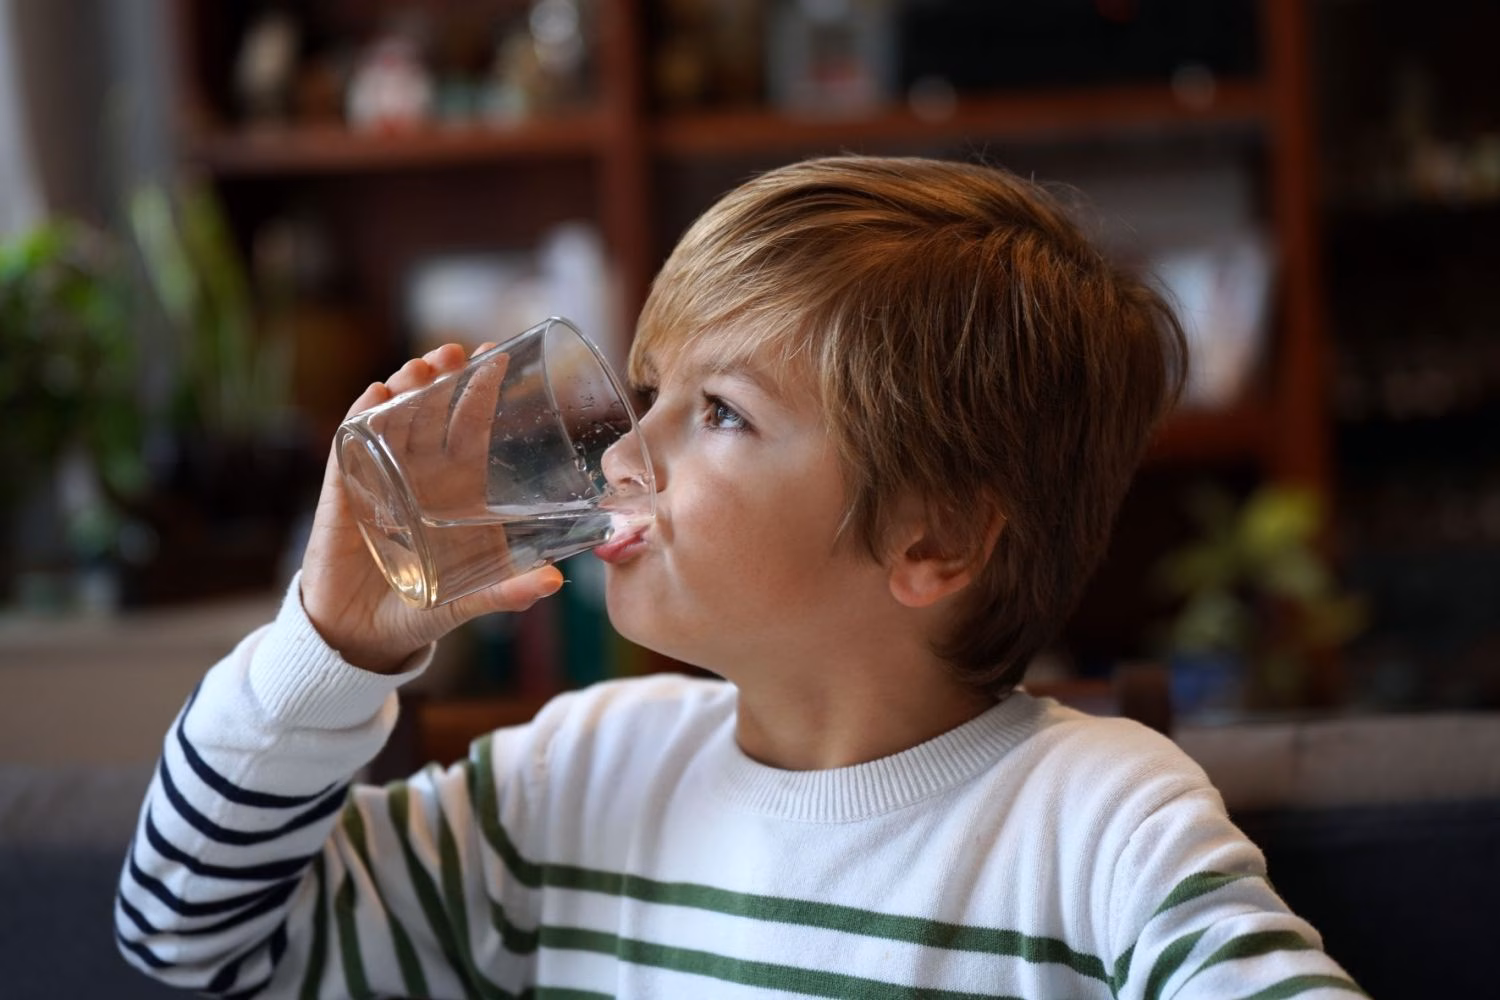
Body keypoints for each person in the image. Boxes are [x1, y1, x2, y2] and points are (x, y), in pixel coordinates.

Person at [117, 155, 1362, 998]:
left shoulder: (1100, 824)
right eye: (647, 392)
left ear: (931, 541)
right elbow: (195, 944)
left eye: (716, 412)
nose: (624, 446)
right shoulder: (575, 777)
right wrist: (331, 640)